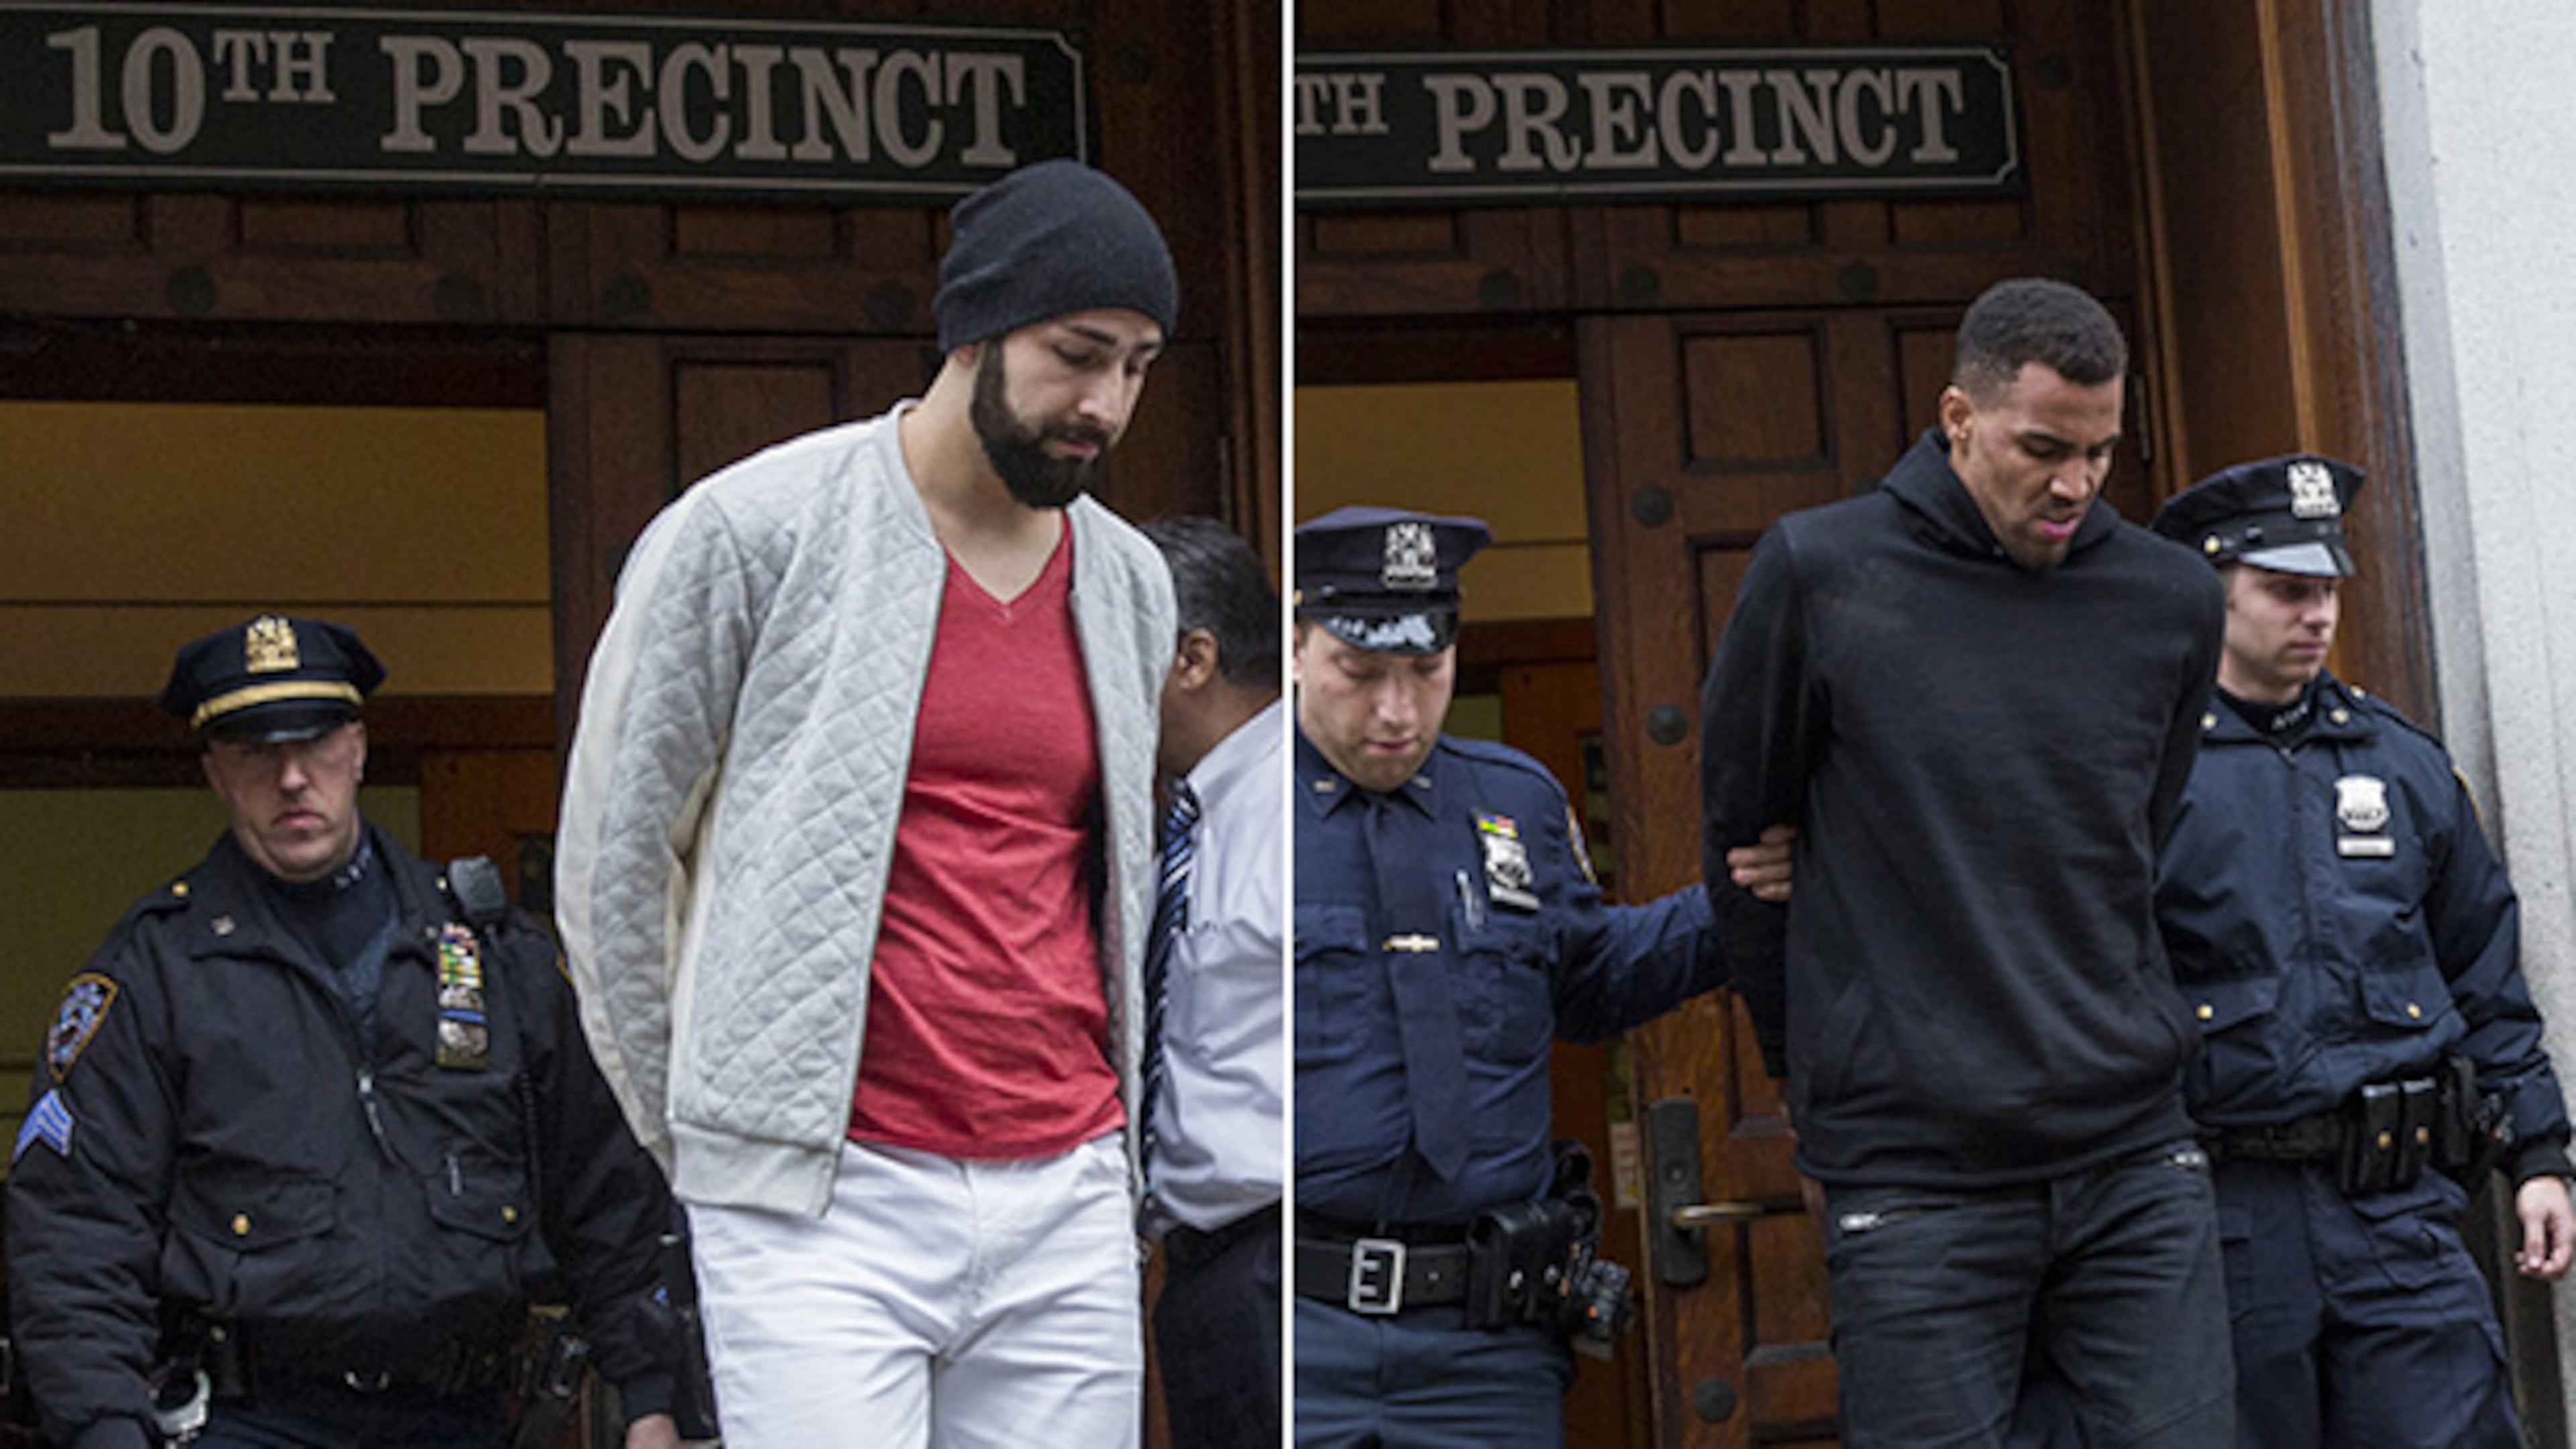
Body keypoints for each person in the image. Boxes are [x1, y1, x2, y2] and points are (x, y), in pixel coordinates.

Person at [553, 159, 1179, 1448]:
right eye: (1077, 356)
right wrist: (715, 1135)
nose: (1105, 403)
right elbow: (616, 861)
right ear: (974, 329)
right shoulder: (750, 530)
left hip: (1067, 1180)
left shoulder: (1129, 582)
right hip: (817, 1196)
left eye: (1137, 366)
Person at [1699, 276, 2235, 1448]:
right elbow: (1742, 851)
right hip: (1914, 1170)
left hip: (2135, 1152)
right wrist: (1809, 1081)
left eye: (2100, 452)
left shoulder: (2173, 598)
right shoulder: (1819, 573)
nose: (2075, 485)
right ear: (1958, 418)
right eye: (2043, 448)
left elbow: (2130, 837)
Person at [6, 615, 680, 1449]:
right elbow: (75, 1234)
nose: (293, 778)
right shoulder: (156, 975)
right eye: (256, 752)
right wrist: (104, 1428)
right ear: (216, 772)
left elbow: (605, 1193)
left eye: (316, 743)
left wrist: (651, 1394)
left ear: (358, 748)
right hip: (248, 1421)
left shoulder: (494, 955)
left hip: (464, 1417)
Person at [1291, 504, 1789, 1448]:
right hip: (1296, 1329)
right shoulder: (1232, 809)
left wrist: (1741, 901)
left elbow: (1593, 984)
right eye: (1359, 672)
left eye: (1426, 671)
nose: (1397, 711)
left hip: (1487, 1346)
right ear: (1297, 648)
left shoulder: (1512, 801)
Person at [2139, 455, 2575, 1446]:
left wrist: (2539, 1155)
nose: (2318, 616)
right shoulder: (2143, 774)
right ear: (2210, 594)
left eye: (2328, 589)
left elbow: (2484, 978)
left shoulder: (2401, 764)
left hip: (2397, 1214)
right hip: (2220, 1218)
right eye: (2285, 590)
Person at [1134, 515, 1285, 1449]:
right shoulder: (1189, 817)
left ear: (1192, 659)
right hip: (1209, 1279)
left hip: (1283, 1267)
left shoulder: (1299, 803)